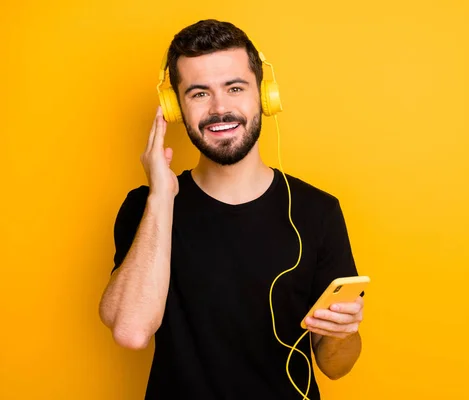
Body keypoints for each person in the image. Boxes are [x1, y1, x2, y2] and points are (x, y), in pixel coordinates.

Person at [98, 19, 365, 399]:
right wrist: (161, 196)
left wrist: (343, 332)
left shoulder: (317, 211)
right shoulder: (147, 208)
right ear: (175, 107)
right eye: (198, 94)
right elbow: (131, 330)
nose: (220, 109)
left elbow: (335, 367)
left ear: (264, 96)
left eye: (235, 88)